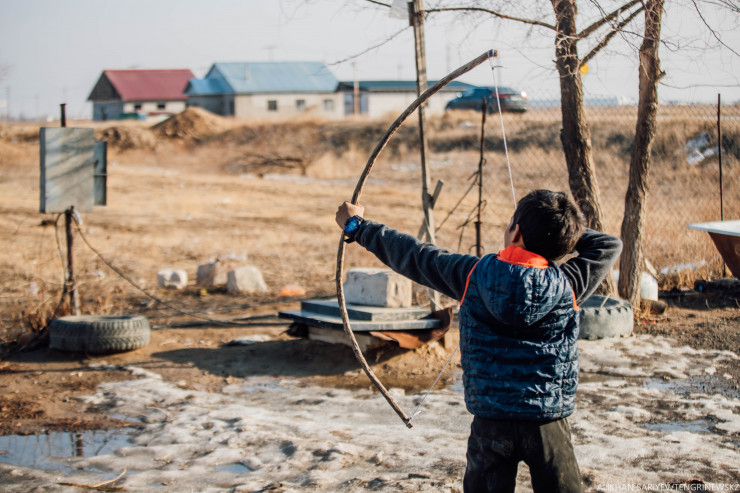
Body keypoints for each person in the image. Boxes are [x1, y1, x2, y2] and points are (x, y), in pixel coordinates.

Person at [335, 189, 622, 493]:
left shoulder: (472, 274)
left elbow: (414, 256)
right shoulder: (570, 283)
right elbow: (608, 244)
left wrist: (357, 226)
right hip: (548, 423)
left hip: (490, 423)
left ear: (516, 233)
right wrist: (561, 232)